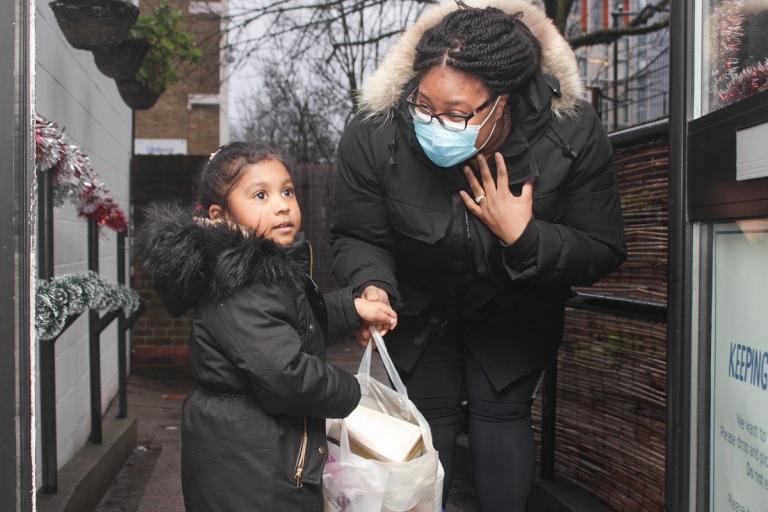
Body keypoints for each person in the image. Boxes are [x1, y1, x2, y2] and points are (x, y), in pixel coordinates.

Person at [331, 2, 627, 510]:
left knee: (500, 412)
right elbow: (359, 234)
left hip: (515, 304)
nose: (433, 123)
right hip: (420, 301)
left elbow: (602, 247)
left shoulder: (569, 132)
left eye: (456, 113)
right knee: (428, 418)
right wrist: (371, 284)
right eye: (423, 105)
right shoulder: (377, 128)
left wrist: (526, 237)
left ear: (504, 102)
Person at [136, 142, 397, 511]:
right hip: (253, 472)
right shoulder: (238, 282)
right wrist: (354, 393)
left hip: (257, 456)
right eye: (260, 195)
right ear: (221, 215)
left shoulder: (261, 270)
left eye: (287, 191)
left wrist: (352, 309)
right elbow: (284, 374)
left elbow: (296, 322)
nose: (281, 204)